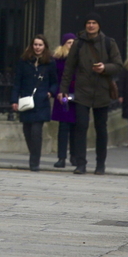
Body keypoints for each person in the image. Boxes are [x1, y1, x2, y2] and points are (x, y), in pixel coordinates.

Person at [58, 12, 123, 175]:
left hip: (102, 91)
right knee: (81, 126)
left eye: (94, 22)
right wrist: (63, 90)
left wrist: (104, 68)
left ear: (99, 25)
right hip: (82, 91)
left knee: (101, 128)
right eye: (88, 22)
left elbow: (118, 65)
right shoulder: (78, 44)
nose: (91, 25)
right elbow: (69, 68)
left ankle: (100, 164)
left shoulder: (109, 43)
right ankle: (81, 163)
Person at [12, 35, 59, 171]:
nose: (38, 47)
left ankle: (34, 162)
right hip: (26, 101)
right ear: (32, 46)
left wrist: (50, 93)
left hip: (41, 102)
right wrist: (14, 100)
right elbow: (17, 82)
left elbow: (55, 82)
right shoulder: (24, 61)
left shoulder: (50, 62)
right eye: (36, 44)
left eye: (40, 45)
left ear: (45, 47)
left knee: (36, 131)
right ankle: (34, 154)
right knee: (27, 131)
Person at [50, 33, 78, 167]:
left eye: (73, 42)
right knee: (63, 127)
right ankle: (61, 157)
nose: (71, 45)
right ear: (64, 44)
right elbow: (54, 78)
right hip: (63, 97)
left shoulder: (80, 59)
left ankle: (74, 156)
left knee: (75, 127)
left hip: (77, 96)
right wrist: (59, 92)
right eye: (69, 42)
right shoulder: (58, 59)